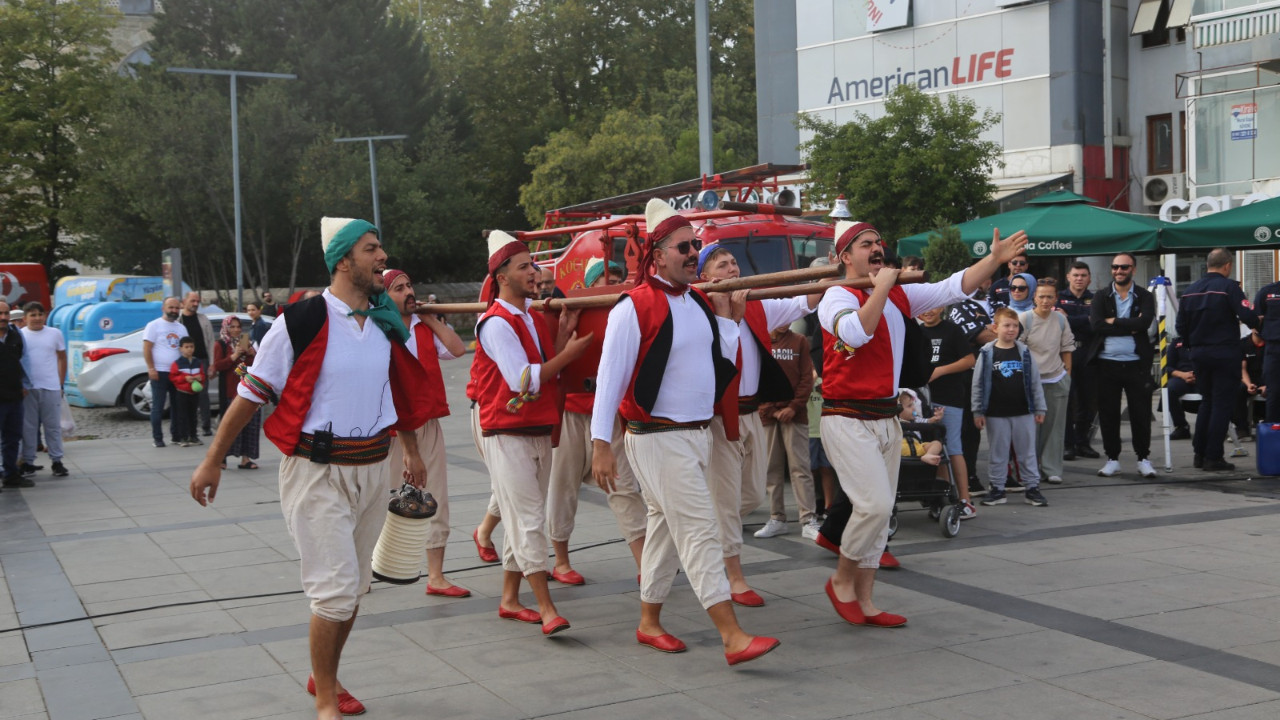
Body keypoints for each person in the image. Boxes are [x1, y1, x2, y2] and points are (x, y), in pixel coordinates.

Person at [191, 216, 433, 720]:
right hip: (317, 471)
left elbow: (398, 393)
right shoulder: (300, 320)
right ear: (344, 260)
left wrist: (410, 449)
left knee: (356, 588)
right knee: (337, 590)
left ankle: (324, 673)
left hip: (374, 467)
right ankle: (325, 699)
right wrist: (213, 460)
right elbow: (251, 394)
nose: (382, 258)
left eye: (380, 248)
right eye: (372, 250)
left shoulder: (386, 321)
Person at [591, 198, 779, 665]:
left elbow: (722, 361)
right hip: (656, 437)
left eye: (696, 244)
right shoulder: (632, 308)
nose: (694, 252)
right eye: (684, 246)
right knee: (697, 528)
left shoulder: (696, 300)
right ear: (657, 254)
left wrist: (730, 317)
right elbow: (609, 381)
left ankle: (649, 622)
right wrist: (600, 445)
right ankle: (731, 634)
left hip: (696, 434)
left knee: (665, 533)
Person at [816, 219, 1027, 629]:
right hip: (845, 417)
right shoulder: (833, 296)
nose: (877, 249)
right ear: (845, 256)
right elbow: (857, 333)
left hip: (885, 416)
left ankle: (867, 599)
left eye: (879, 242)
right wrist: (881, 287)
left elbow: (955, 286)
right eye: (865, 244)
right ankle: (841, 580)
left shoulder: (898, 294)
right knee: (873, 505)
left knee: (881, 514)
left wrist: (994, 260)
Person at [470, 230, 592, 636]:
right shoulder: (494, 323)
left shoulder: (531, 316)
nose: (533, 272)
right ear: (502, 276)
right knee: (527, 520)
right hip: (505, 431)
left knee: (525, 517)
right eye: (524, 266)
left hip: (535, 427)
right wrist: (570, 353)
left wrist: (563, 335)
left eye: (532, 265)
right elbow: (524, 378)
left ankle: (509, 599)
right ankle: (546, 606)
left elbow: (543, 358)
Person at [696, 244, 817, 606]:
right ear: (706, 277)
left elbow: (805, 302)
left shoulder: (760, 303)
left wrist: (831, 274)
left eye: (735, 262)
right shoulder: (700, 310)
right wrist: (728, 315)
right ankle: (733, 576)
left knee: (748, 495)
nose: (733, 268)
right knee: (727, 500)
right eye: (723, 264)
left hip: (754, 412)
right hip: (720, 417)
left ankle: (701, 530)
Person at [543, 257, 646, 585]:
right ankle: (560, 561)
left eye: (617, 276)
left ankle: (645, 561)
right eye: (607, 277)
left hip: (610, 416)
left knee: (625, 487)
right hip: (572, 411)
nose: (614, 282)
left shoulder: (628, 310)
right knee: (562, 486)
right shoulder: (572, 311)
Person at [384, 268, 472, 597]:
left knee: (434, 496)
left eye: (410, 285)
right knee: (378, 498)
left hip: (427, 423)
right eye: (398, 288)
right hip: (388, 429)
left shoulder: (424, 327)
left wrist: (431, 317)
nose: (408, 291)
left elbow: (457, 349)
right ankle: (363, 570)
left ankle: (436, 576)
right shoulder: (378, 329)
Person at [1176, 248, 1258, 472]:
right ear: (1228, 266)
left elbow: (1180, 327)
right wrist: (1259, 321)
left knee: (1207, 402)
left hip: (1199, 355)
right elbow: (1248, 316)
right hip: (1224, 353)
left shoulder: (1190, 291)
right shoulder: (1229, 287)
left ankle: (1199, 454)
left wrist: (1194, 346)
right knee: (1222, 405)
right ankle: (1213, 456)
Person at [1087, 253, 1158, 478]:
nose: (1119, 271)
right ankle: (1112, 458)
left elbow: (1144, 322)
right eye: (1115, 267)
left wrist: (1114, 321)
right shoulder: (1101, 295)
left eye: (1124, 267)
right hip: (1107, 364)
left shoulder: (1145, 296)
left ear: (1133, 269)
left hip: (1137, 364)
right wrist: (1130, 325)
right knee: (1108, 414)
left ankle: (1143, 458)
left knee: (1141, 413)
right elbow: (1097, 325)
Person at [973, 307, 1048, 507]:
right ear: (995, 328)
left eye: (1015, 326)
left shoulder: (1024, 352)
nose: (1011, 329)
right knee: (998, 452)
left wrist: (1040, 408)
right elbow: (978, 383)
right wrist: (977, 410)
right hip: (996, 413)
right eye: (1007, 325)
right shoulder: (987, 353)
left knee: (1027, 452)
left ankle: (1032, 488)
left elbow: (1035, 382)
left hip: (1023, 411)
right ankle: (997, 488)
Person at [757, 322, 820, 540]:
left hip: (796, 414)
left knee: (800, 467)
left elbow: (806, 377)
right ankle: (777, 517)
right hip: (767, 416)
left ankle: (808, 518)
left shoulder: (799, 341)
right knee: (770, 468)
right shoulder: (760, 338)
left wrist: (793, 407)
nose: (785, 322)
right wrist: (771, 410)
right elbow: (754, 378)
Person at [917, 306, 976, 517]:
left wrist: (939, 371)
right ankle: (943, 497)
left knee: (953, 448)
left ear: (942, 307)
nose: (928, 311)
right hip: (920, 401)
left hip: (949, 399)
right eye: (923, 307)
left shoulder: (952, 330)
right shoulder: (916, 332)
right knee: (935, 450)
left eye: (932, 306)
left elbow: (970, 360)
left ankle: (965, 500)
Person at [1019, 279, 1075, 484]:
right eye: (1041, 296)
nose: (1045, 300)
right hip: (1031, 382)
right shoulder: (1025, 319)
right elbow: (1018, 350)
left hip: (1056, 378)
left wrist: (1067, 376)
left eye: (1049, 296)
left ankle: (1052, 468)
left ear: (1055, 298)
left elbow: (1066, 348)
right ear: (1034, 297)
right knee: (1030, 428)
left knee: (1055, 427)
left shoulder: (1060, 320)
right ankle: (1030, 468)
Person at [948, 273, 997, 496]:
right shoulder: (960, 305)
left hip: (1000, 373)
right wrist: (998, 331)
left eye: (984, 278)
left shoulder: (999, 302)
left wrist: (999, 330)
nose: (980, 282)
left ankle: (1004, 475)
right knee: (969, 426)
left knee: (1002, 426)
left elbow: (1014, 330)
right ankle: (968, 475)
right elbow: (981, 336)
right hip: (970, 375)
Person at [19, 302, 68, 478]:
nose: (37, 318)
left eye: (40, 314)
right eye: (33, 315)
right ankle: (28, 461)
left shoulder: (54, 333)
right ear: (25, 318)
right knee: (28, 427)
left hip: (51, 386)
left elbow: (62, 357)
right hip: (28, 388)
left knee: (53, 426)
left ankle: (57, 461)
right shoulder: (20, 335)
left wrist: (60, 382)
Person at [1059, 262, 1100, 460]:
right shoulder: (1058, 298)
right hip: (1066, 354)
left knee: (1088, 401)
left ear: (1089, 278)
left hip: (1088, 354)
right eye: (1075, 275)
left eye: (1083, 275)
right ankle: (1068, 444)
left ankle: (1083, 442)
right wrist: (1086, 319)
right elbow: (1058, 324)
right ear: (1068, 277)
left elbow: (1096, 325)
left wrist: (1070, 320)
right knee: (1066, 400)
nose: (1079, 278)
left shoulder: (1096, 299)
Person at [210, 316, 260, 469]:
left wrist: (251, 353)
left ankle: (246, 458)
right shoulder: (221, 344)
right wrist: (234, 355)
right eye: (232, 327)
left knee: (249, 425)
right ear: (226, 328)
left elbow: (254, 365)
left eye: (238, 327)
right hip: (229, 390)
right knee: (229, 425)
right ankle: (222, 458)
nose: (236, 330)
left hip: (247, 389)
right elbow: (218, 365)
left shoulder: (246, 342)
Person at [143, 297, 187, 448]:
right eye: (171, 308)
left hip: (177, 372)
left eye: (176, 308)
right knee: (158, 407)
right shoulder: (153, 325)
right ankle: (158, 438)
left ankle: (176, 435)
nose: (174, 311)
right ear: (163, 308)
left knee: (177, 406)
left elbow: (185, 349)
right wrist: (151, 368)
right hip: (159, 372)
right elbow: (147, 348)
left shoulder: (181, 328)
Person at [0, 301, 29, 489]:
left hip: (14, 395)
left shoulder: (16, 334)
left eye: (6, 313)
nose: (3, 317)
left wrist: (26, 384)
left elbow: (25, 360)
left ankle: (11, 475)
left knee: (13, 436)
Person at [180, 292, 215, 436]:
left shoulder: (203, 319)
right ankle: (188, 428)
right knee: (185, 395)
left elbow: (211, 342)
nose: (195, 304)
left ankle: (206, 427)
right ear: (184, 301)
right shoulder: (178, 320)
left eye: (197, 301)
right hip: (184, 363)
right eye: (192, 301)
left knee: (203, 395)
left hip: (202, 361)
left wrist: (212, 364)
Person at [168, 337, 205, 447]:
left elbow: (203, 374)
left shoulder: (197, 362)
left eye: (191, 347)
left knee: (193, 415)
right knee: (182, 416)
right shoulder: (177, 363)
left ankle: (193, 436)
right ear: (181, 349)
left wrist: (200, 377)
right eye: (186, 347)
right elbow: (173, 377)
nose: (189, 349)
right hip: (182, 392)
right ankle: (183, 437)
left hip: (194, 393)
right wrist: (184, 378)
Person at [1253, 277, 1280, 422]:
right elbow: (1256, 318)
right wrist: (1261, 333)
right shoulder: (1268, 292)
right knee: (1274, 392)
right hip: (1274, 348)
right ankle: (1273, 432)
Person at [1163, 336, 1196, 440]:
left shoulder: (1207, 339)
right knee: (1170, 389)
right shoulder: (1177, 342)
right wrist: (1183, 375)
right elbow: (1167, 366)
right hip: (1181, 376)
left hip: (1204, 376)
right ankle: (1182, 427)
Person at [1238, 329, 1265, 437]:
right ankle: (1241, 428)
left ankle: (1270, 423)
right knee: (1238, 389)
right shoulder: (1242, 344)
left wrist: (1269, 385)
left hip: (1269, 380)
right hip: (1249, 380)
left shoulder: (1273, 343)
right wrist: (1249, 384)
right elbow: (1242, 369)